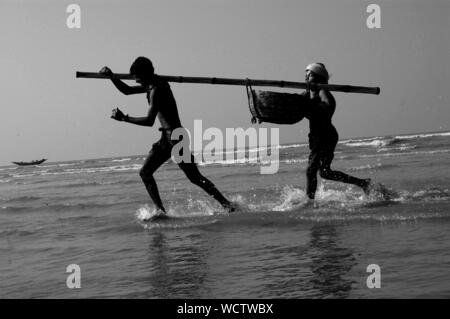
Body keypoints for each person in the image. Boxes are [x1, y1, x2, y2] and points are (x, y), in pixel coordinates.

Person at [100, 57, 235, 216]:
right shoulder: (151, 84)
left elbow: (149, 120)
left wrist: (124, 118)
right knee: (145, 173)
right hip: (167, 138)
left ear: (145, 75)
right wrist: (112, 77)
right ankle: (160, 211)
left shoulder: (157, 89)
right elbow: (127, 90)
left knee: (195, 177)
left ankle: (226, 204)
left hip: (176, 138)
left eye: (138, 78)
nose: (136, 82)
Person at [302, 63, 371, 201]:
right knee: (325, 172)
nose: (305, 77)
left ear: (318, 78)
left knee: (311, 171)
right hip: (318, 136)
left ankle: (309, 201)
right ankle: (363, 183)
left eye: (309, 75)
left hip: (325, 136)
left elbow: (328, 105)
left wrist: (312, 109)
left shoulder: (322, 91)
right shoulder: (308, 93)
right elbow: (293, 104)